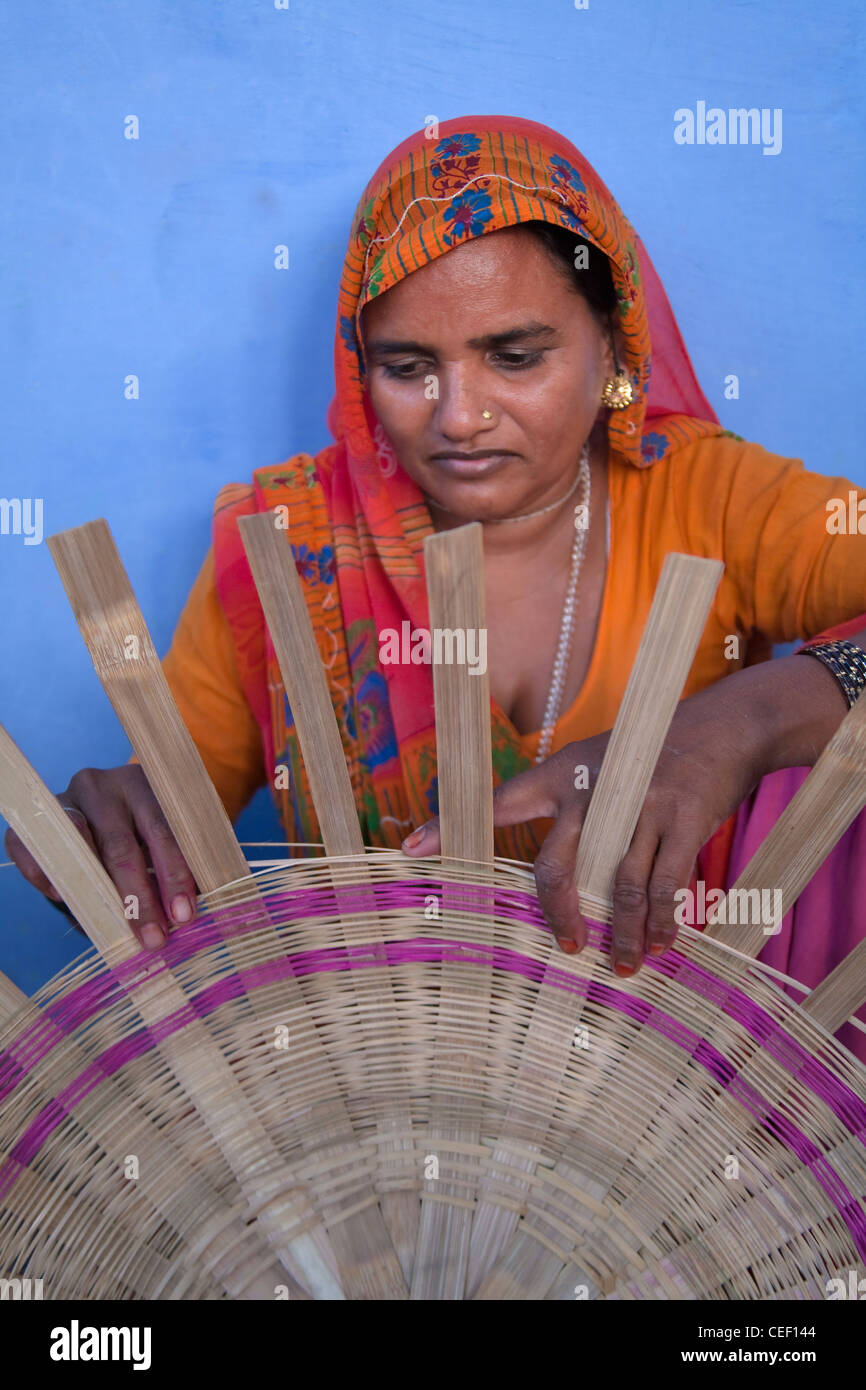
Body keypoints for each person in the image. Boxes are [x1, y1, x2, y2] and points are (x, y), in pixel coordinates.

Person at [7, 115, 866, 1054]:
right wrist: (121, 826)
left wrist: (741, 723)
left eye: (516, 356)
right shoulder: (291, 549)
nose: (459, 416)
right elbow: (177, 808)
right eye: (408, 368)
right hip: (390, 1099)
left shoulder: (712, 499)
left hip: (674, 1105)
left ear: (615, 353)